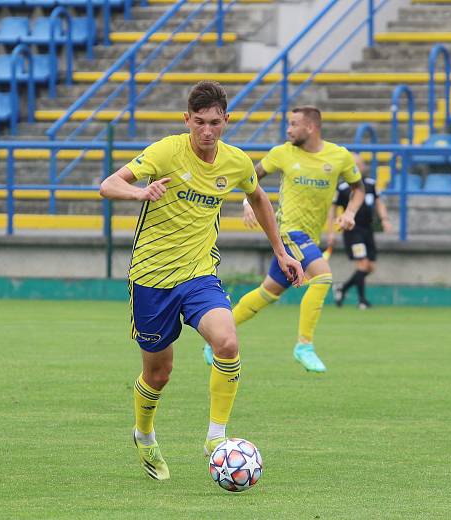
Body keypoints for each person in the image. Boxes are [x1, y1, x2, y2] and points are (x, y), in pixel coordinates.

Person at [99, 81, 304, 481]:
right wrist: (141, 194)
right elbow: (108, 184)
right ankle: (143, 433)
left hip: (199, 275)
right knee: (159, 373)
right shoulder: (166, 151)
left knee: (226, 342)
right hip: (152, 278)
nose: (207, 131)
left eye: (214, 122)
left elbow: (259, 197)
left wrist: (280, 251)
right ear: (187, 120)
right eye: (199, 123)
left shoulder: (237, 163)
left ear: (226, 120)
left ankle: (216, 437)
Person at [204, 106, 364, 373]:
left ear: (311, 127)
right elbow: (249, 177)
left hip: (308, 236)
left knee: (267, 293)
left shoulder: (339, 156)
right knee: (323, 277)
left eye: (293, 124)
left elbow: (358, 189)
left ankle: (215, 338)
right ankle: (304, 345)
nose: (288, 130)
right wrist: (246, 201)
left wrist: (350, 212)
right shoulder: (281, 153)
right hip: (288, 231)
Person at [328, 153, 393, 309]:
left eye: (360, 165)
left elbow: (379, 203)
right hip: (352, 230)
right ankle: (362, 300)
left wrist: (385, 220)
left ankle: (342, 288)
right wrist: (331, 232)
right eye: (354, 165)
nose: (358, 168)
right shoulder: (343, 188)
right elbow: (332, 209)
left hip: (367, 229)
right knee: (362, 264)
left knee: (370, 266)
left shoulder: (370, 184)